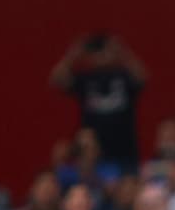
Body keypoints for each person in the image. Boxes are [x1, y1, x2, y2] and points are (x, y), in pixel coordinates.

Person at [49, 34, 147, 172]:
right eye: (97, 51)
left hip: (125, 148)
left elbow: (142, 78)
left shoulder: (123, 76)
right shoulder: (85, 79)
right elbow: (56, 79)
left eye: (104, 50)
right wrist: (73, 54)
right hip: (93, 155)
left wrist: (123, 53)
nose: (101, 55)